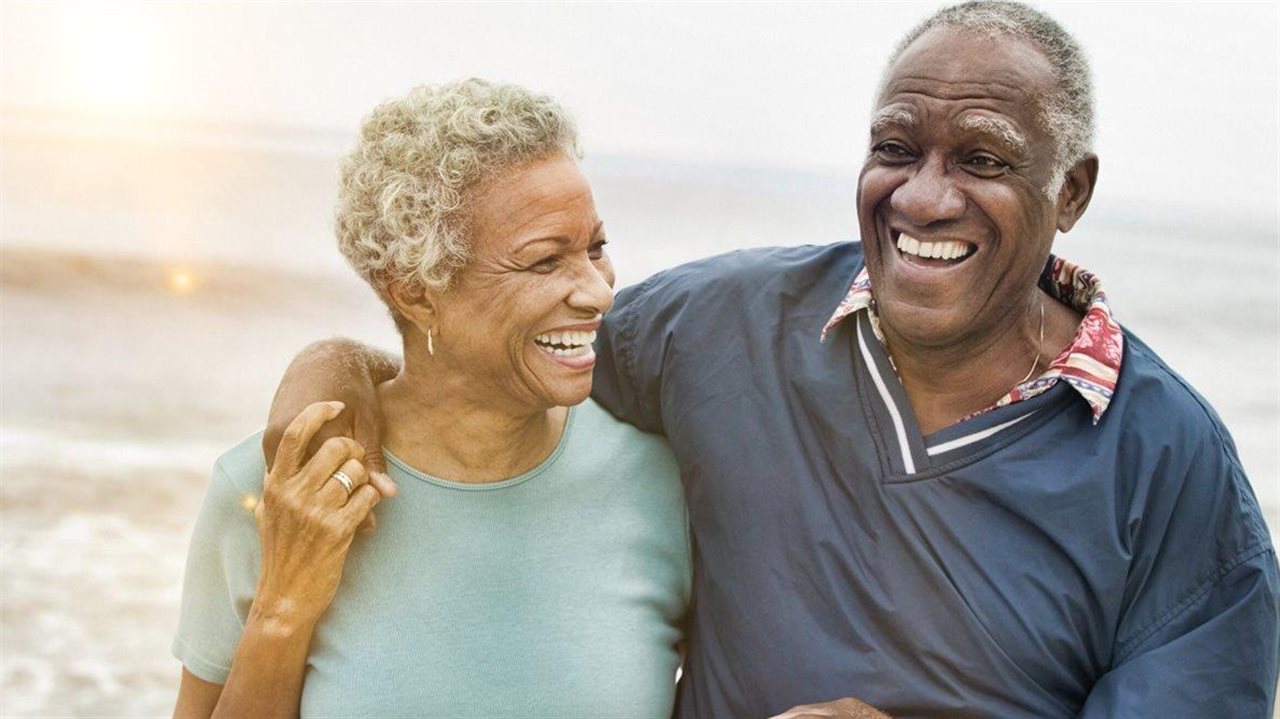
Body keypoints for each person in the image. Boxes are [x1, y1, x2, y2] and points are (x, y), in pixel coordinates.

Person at [263, 2, 1280, 717]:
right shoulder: (724, 324)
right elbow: (500, 351)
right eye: (895, 147)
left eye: (982, 159)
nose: (924, 196)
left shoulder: (1170, 463)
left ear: (1070, 193)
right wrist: (327, 375)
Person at [171, 79, 691, 718]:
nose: (599, 293)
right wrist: (282, 610)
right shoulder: (275, 490)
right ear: (415, 292)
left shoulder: (663, 484)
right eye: (544, 261)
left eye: (595, 248)